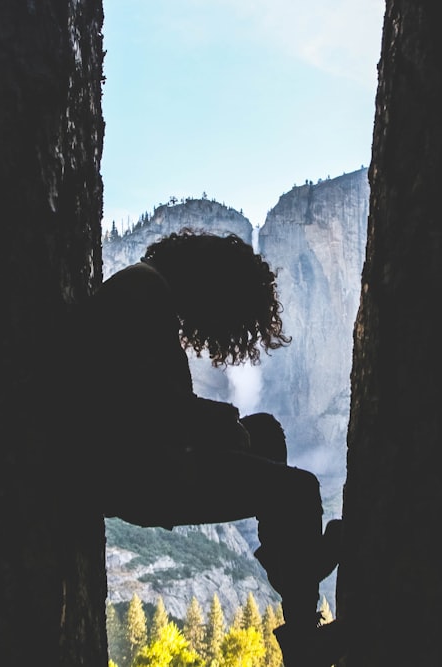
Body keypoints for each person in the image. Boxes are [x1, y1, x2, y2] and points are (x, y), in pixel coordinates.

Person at [81, 229, 346, 666]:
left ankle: (297, 567)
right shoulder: (145, 296)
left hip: (136, 461)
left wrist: (226, 426)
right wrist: (222, 426)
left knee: (265, 431)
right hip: (138, 475)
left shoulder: (146, 288)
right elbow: (155, 411)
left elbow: (154, 403)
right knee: (299, 489)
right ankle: (304, 634)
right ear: (216, 288)